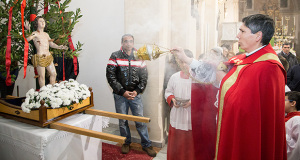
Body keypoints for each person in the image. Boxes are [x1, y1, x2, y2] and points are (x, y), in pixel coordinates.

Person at [173, 14, 287, 160]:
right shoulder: (243, 59)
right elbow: (214, 75)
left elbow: (244, 104)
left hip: (248, 134)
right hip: (232, 126)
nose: (237, 35)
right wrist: (187, 59)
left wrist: (224, 84)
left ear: (258, 36)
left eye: (242, 31)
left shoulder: (269, 67)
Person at [106, 34, 156, 157]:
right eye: (126, 41)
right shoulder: (115, 56)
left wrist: (137, 91)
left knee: (140, 121)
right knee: (123, 121)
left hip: (135, 95)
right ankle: (125, 142)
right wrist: (122, 91)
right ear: (122, 43)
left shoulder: (140, 56)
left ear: (133, 43)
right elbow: (110, 76)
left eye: (131, 41)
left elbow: (144, 77)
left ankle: (146, 144)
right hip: (120, 95)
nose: (128, 43)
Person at [164, 49, 195, 160]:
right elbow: (168, 92)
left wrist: (192, 102)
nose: (183, 64)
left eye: (185, 61)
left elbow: (204, 96)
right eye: (181, 62)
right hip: (177, 113)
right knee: (176, 143)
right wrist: (172, 99)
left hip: (191, 115)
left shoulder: (197, 78)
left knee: (189, 143)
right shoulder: (175, 77)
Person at [26, 16, 68, 87]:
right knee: (41, 76)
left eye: (43, 21)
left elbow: (51, 44)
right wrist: (28, 31)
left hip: (48, 56)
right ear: (36, 23)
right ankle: (43, 94)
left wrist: (60, 47)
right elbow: (27, 39)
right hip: (40, 57)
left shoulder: (46, 34)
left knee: (53, 74)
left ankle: (51, 91)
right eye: (40, 21)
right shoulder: (35, 33)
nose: (43, 22)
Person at [285, 91, 300, 160]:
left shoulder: (297, 119)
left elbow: (297, 146)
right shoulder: (287, 118)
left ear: (293, 103)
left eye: (284, 100)